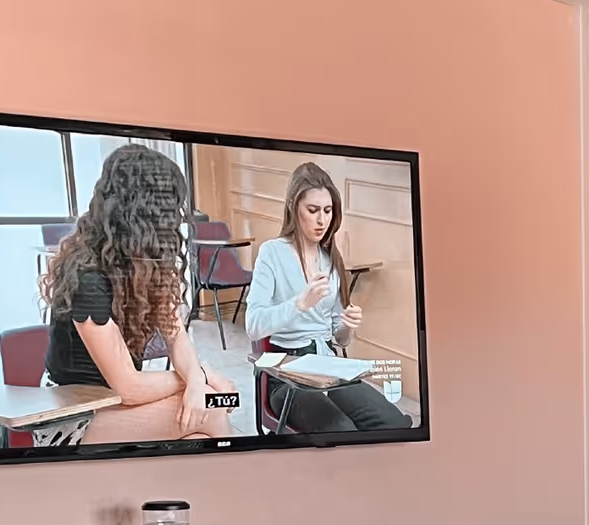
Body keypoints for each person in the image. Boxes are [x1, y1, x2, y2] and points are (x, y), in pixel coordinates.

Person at [42, 145, 236, 444]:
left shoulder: (143, 264)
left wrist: (196, 378)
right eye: (170, 209)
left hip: (114, 404)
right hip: (72, 415)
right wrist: (201, 377)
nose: (175, 221)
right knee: (213, 408)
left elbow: (176, 336)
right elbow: (129, 388)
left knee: (215, 408)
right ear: (145, 212)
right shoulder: (88, 278)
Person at [244, 162, 408, 435]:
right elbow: (253, 325)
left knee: (394, 423)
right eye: (313, 210)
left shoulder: (331, 259)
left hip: (329, 369)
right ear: (293, 209)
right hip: (285, 377)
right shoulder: (271, 254)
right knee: (341, 430)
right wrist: (300, 303)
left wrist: (348, 325)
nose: (322, 220)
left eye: (328, 211)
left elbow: (339, 339)